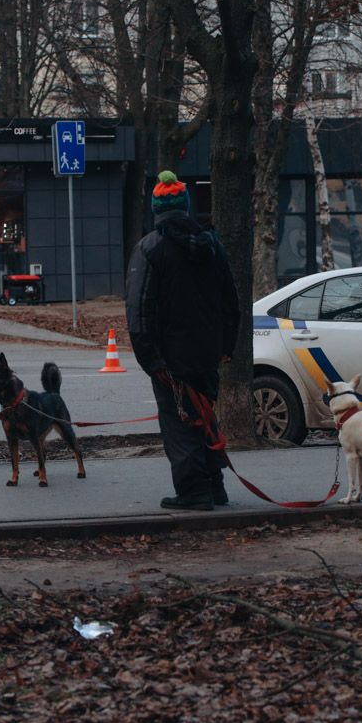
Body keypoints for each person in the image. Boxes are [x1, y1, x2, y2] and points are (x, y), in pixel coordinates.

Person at [125, 170, 240, 511]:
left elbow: (139, 310)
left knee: (180, 424)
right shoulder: (212, 244)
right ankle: (214, 486)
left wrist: (151, 360)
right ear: (185, 207)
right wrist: (225, 347)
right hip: (208, 354)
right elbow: (230, 301)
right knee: (204, 416)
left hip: (170, 358)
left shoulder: (150, 248)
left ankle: (194, 491)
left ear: (156, 210)